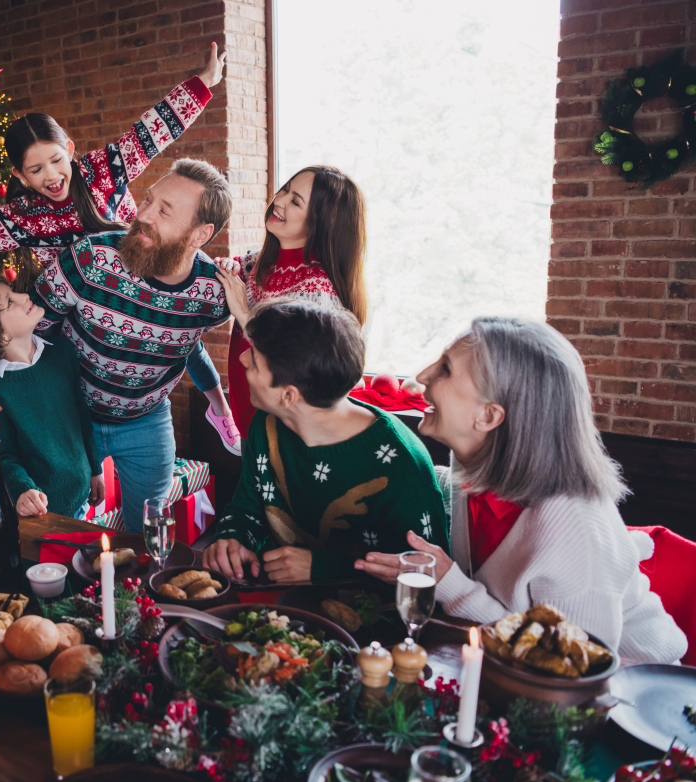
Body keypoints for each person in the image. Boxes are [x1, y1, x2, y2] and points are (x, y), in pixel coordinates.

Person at [0, 44, 242, 455]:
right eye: (36, 169)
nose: (52, 176)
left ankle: (219, 407)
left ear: (71, 151)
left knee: (184, 339)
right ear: (20, 175)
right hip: (78, 309)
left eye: (57, 161)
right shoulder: (23, 216)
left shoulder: (104, 170)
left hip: (139, 283)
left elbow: (151, 132)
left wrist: (203, 84)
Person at [355, 317, 687, 665]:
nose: (422, 376)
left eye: (445, 369)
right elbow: (448, 489)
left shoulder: (576, 527)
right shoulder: (472, 465)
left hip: (629, 684)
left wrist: (450, 584)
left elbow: (571, 666)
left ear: (488, 417)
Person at [29, 157, 233, 533]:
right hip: (69, 419)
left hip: (147, 423)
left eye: (165, 211)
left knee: (149, 531)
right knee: (59, 530)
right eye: (148, 200)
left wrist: (221, 406)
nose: (144, 215)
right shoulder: (89, 257)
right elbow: (28, 333)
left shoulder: (216, 292)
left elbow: (194, 344)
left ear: (200, 235)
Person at [203, 302, 448, 583]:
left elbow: (429, 577)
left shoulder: (404, 465)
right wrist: (231, 538)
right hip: (272, 598)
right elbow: (246, 509)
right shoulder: (266, 422)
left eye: (255, 359)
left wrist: (324, 569)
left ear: (288, 395)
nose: (243, 358)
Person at [214, 166, 368, 435]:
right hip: (246, 417)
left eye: (295, 201)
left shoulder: (317, 291)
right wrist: (226, 266)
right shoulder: (257, 262)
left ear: (320, 223)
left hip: (282, 429)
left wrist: (243, 313)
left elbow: (294, 366)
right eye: (284, 189)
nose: (279, 200)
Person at [0, 274, 102, 518]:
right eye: (9, 302)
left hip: (81, 500)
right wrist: (23, 490)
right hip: (38, 513)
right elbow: (4, 455)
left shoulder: (62, 352)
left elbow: (81, 417)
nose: (24, 295)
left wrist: (95, 469)